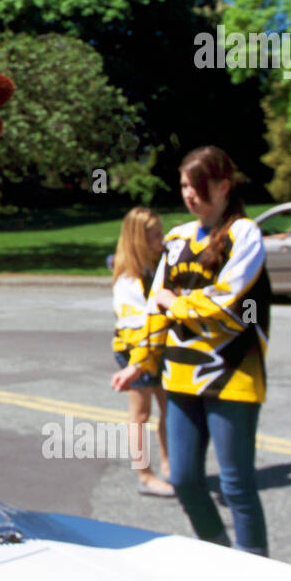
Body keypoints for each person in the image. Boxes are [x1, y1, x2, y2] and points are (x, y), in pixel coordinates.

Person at [111, 147, 271, 555]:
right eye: (183, 185)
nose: (189, 195)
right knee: (182, 478)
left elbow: (228, 300)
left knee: (237, 486)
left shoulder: (245, 235)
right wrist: (140, 362)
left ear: (222, 186)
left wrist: (175, 301)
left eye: (197, 186)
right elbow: (153, 309)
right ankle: (220, 553)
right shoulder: (178, 237)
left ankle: (257, 571)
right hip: (179, 377)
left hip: (232, 373)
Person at [110, 207, 173, 497]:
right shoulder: (128, 281)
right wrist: (137, 364)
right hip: (135, 351)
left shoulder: (155, 267)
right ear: (138, 240)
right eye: (156, 235)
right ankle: (145, 476)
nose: (163, 239)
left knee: (169, 411)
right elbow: (135, 330)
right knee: (141, 413)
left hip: (157, 348)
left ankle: (170, 467)